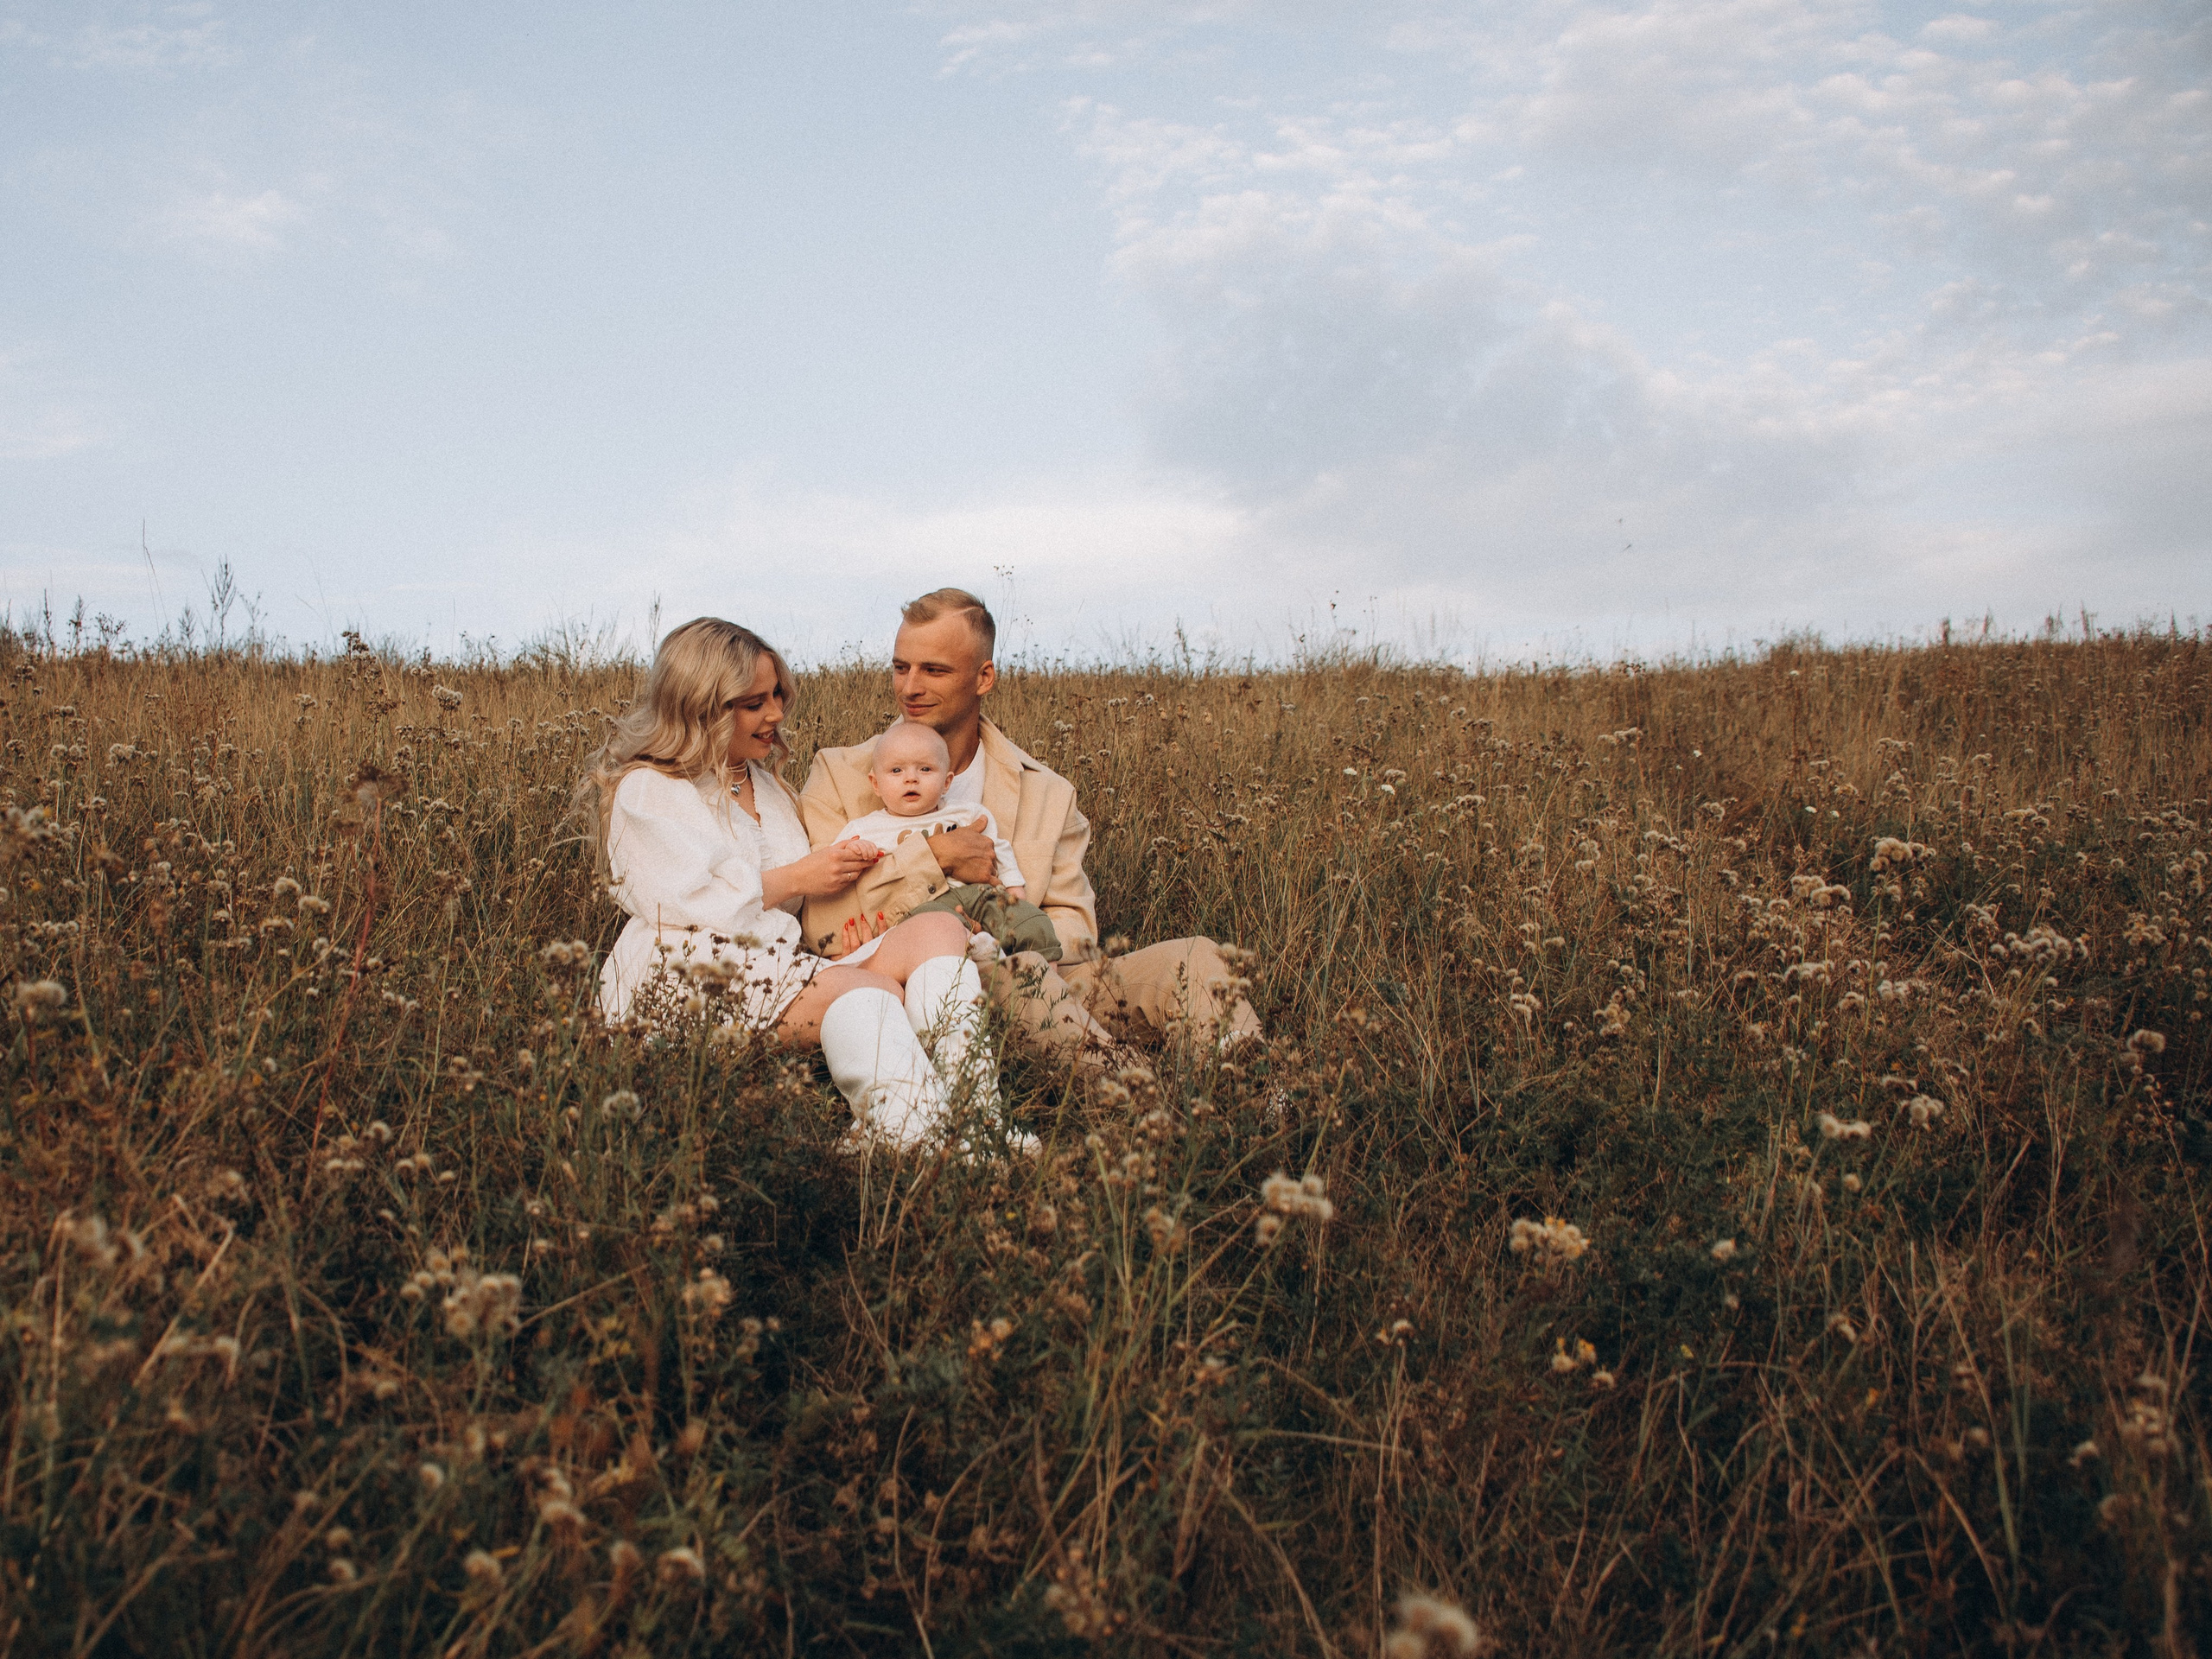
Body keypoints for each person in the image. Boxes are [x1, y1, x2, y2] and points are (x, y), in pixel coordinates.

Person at [574, 617, 996, 1147]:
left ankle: (979, 1114)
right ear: (702, 707)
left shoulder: (768, 787)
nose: (776, 713)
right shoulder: (650, 789)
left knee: (938, 931)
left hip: (779, 960)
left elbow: (801, 909)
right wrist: (800, 876)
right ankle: (911, 1136)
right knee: (875, 991)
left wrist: (860, 906)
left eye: (776, 694)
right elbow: (687, 900)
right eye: (754, 703)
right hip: (691, 971)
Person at [799, 588, 1263, 1058]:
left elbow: (1074, 922)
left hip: (1037, 969)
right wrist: (935, 859)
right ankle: (1139, 1101)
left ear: (984, 677)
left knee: (1196, 957)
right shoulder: (840, 774)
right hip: (914, 987)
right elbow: (822, 924)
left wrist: (1012, 942)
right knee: (1026, 979)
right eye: (901, 667)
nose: (909, 687)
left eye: (934, 670)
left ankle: (1253, 1089)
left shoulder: (1048, 791)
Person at [832, 718, 1063, 961]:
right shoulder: (865, 827)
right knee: (936, 931)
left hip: (979, 895)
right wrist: (856, 848)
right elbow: (836, 861)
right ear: (876, 784)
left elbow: (997, 851)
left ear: (947, 782)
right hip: (923, 904)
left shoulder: (969, 814)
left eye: (925, 769)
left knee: (1034, 922)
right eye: (896, 771)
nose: (911, 778)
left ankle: (1047, 982)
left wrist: (1015, 893)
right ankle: (980, 951)